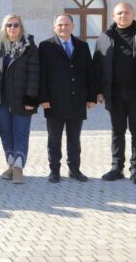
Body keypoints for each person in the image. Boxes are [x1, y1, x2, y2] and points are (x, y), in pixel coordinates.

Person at [94, 2, 136, 186]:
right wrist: (98, 91)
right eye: (119, 13)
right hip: (114, 94)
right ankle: (117, 168)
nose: (123, 16)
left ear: (133, 14)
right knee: (117, 132)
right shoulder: (104, 38)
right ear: (113, 16)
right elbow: (97, 67)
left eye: (126, 12)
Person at [38, 14, 97, 183]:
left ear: (73, 26)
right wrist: (43, 98)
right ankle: (54, 170)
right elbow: (42, 75)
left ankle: (74, 169)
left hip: (77, 101)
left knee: (74, 138)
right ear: (54, 27)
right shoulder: (46, 46)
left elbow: (89, 73)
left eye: (66, 24)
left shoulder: (82, 46)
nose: (63, 28)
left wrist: (91, 97)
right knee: (54, 139)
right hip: (54, 101)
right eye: (60, 25)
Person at [0, 13, 39, 184]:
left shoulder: (29, 47)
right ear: (4, 28)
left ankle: (19, 166)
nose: (12, 28)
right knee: (5, 132)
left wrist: (31, 99)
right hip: (3, 99)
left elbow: (34, 74)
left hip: (22, 99)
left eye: (15, 25)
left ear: (21, 27)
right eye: (9, 25)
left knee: (21, 132)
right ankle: (10, 164)